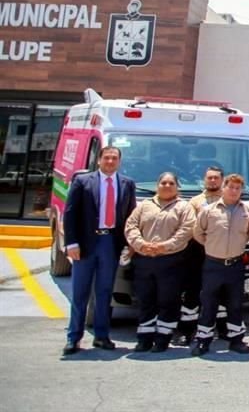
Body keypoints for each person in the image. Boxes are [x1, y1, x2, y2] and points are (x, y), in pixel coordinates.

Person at [62, 146, 136, 356]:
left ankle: (102, 337)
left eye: (114, 158)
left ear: (119, 162)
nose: (110, 162)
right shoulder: (83, 181)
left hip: (110, 243)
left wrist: (128, 245)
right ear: (99, 160)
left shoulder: (127, 184)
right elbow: (70, 213)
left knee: (104, 293)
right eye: (107, 158)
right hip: (85, 244)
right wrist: (71, 243)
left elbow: (130, 217)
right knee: (80, 293)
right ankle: (73, 338)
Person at [124, 172, 196, 353]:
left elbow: (186, 230)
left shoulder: (184, 207)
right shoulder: (144, 206)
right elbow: (131, 226)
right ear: (157, 185)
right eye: (163, 182)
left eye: (171, 183)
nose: (167, 186)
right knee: (146, 300)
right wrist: (141, 244)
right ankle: (144, 339)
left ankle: (163, 339)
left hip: (171, 262)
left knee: (168, 300)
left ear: (177, 187)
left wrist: (164, 246)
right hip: (144, 259)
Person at [192, 173, 249, 356]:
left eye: (238, 188)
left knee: (235, 304)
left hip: (235, 265)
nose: (234, 191)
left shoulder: (248, 211)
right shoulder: (209, 210)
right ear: (224, 188)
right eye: (231, 187)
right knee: (208, 304)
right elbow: (198, 232)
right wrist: (213, 245)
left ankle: (236, 341)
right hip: (213, 264)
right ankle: (203, 341)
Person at [178, 166, 224, 345]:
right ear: (205, 180)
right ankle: (187, 331)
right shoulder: (195, 202)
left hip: (220, 251)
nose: (212, 181)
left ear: (222, 180)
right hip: (197, 251)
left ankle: (222, 329)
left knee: (221, 292)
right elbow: (189, 225)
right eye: (209, 178)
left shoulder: (228, 200)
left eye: (216, 178)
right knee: (192, 291)